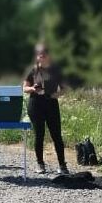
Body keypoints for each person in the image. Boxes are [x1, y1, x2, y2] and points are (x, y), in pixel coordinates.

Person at [23, 42, 69, 175]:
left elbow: (65, 88)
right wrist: (32, 89)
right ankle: (40, 164)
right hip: (35, 103)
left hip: (51, 103)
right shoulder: (32, 70)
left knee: (56, 135)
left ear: (49, 55)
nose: (41, 56)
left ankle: (62, 165)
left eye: (44, 53)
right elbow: (24, 88)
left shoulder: (56, 70)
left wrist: (55, 94)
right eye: (39, 54)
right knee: (39, 135)